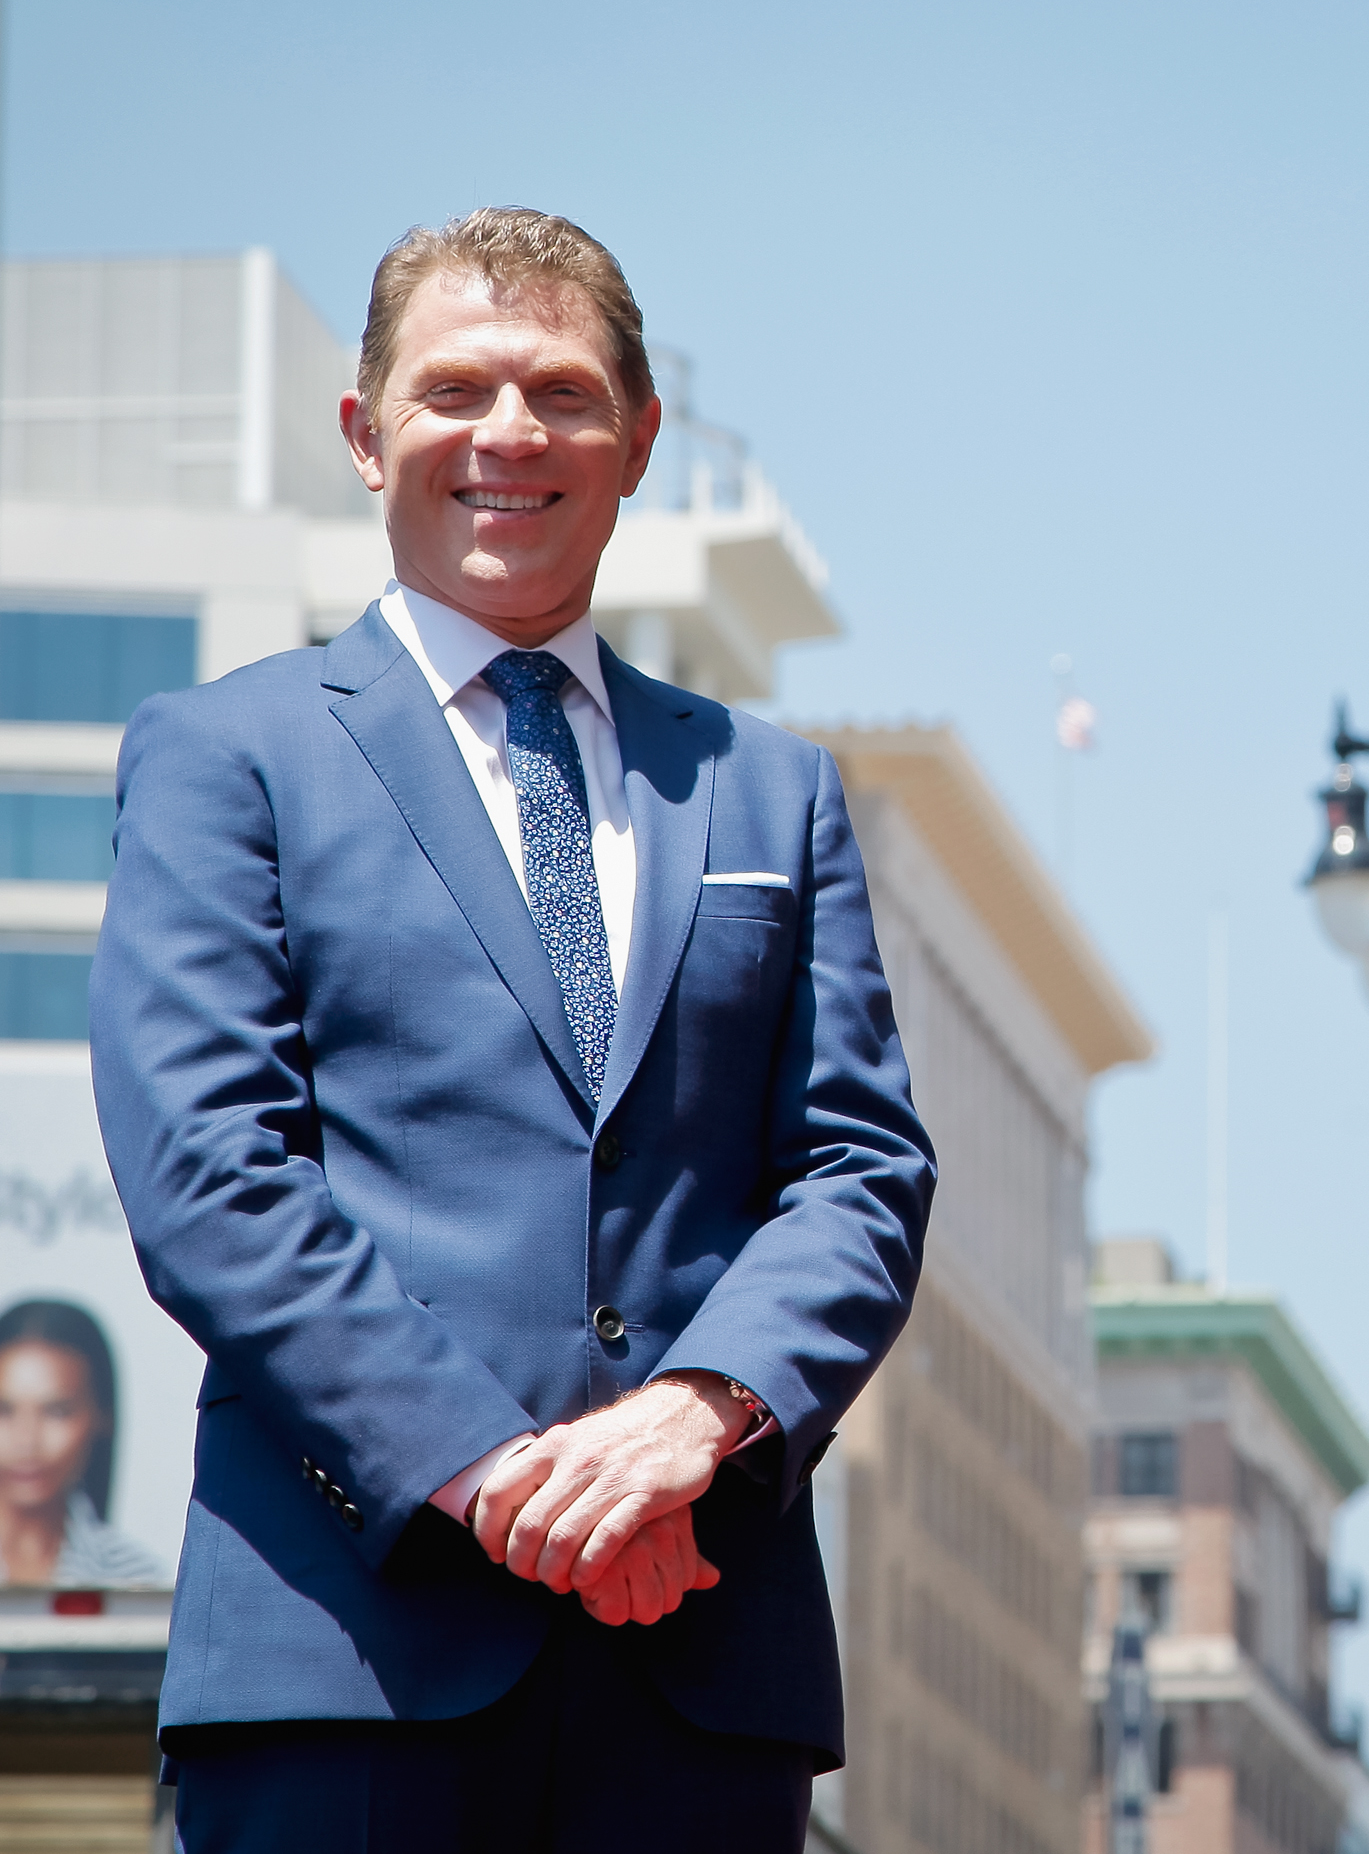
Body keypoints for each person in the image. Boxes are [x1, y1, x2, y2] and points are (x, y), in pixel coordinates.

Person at [90, 209, 934, 1850]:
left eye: (558, 392)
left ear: (636, 442)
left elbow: (861, 1170)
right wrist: (503, 1478)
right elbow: (210, 1175)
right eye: (454, 388)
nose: (507, 435)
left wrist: (696, 1418)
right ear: (364, 433)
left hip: (694, 1660)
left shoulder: (771, 786)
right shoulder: (225, 756)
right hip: (348, 1656)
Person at [0, 1298, 168, 1589]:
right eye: (4, 1411)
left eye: (57, 1411)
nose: (27, 1442)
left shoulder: (135, 1582)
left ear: (101, 1416)